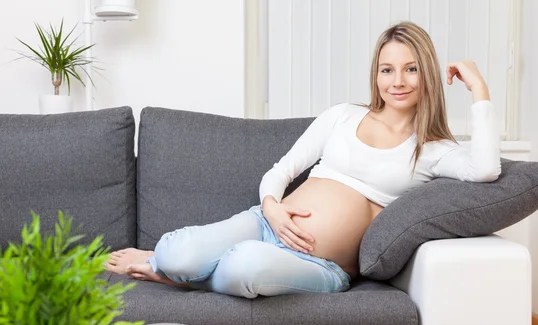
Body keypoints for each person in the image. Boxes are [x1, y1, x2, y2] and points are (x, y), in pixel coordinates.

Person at [105, 21, 501, 299]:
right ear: (376, 75)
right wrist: (272, 208)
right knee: (176, 253)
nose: (397, 81)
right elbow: (282, 170)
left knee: (243, 267)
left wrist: (479, 88)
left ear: (428, 74)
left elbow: (485, 169)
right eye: (387, 69)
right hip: (264, 225)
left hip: (323, 265)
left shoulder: (432, 149)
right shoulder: (343, 115)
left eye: (410, 69)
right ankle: (168, 265)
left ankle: (179, 278)